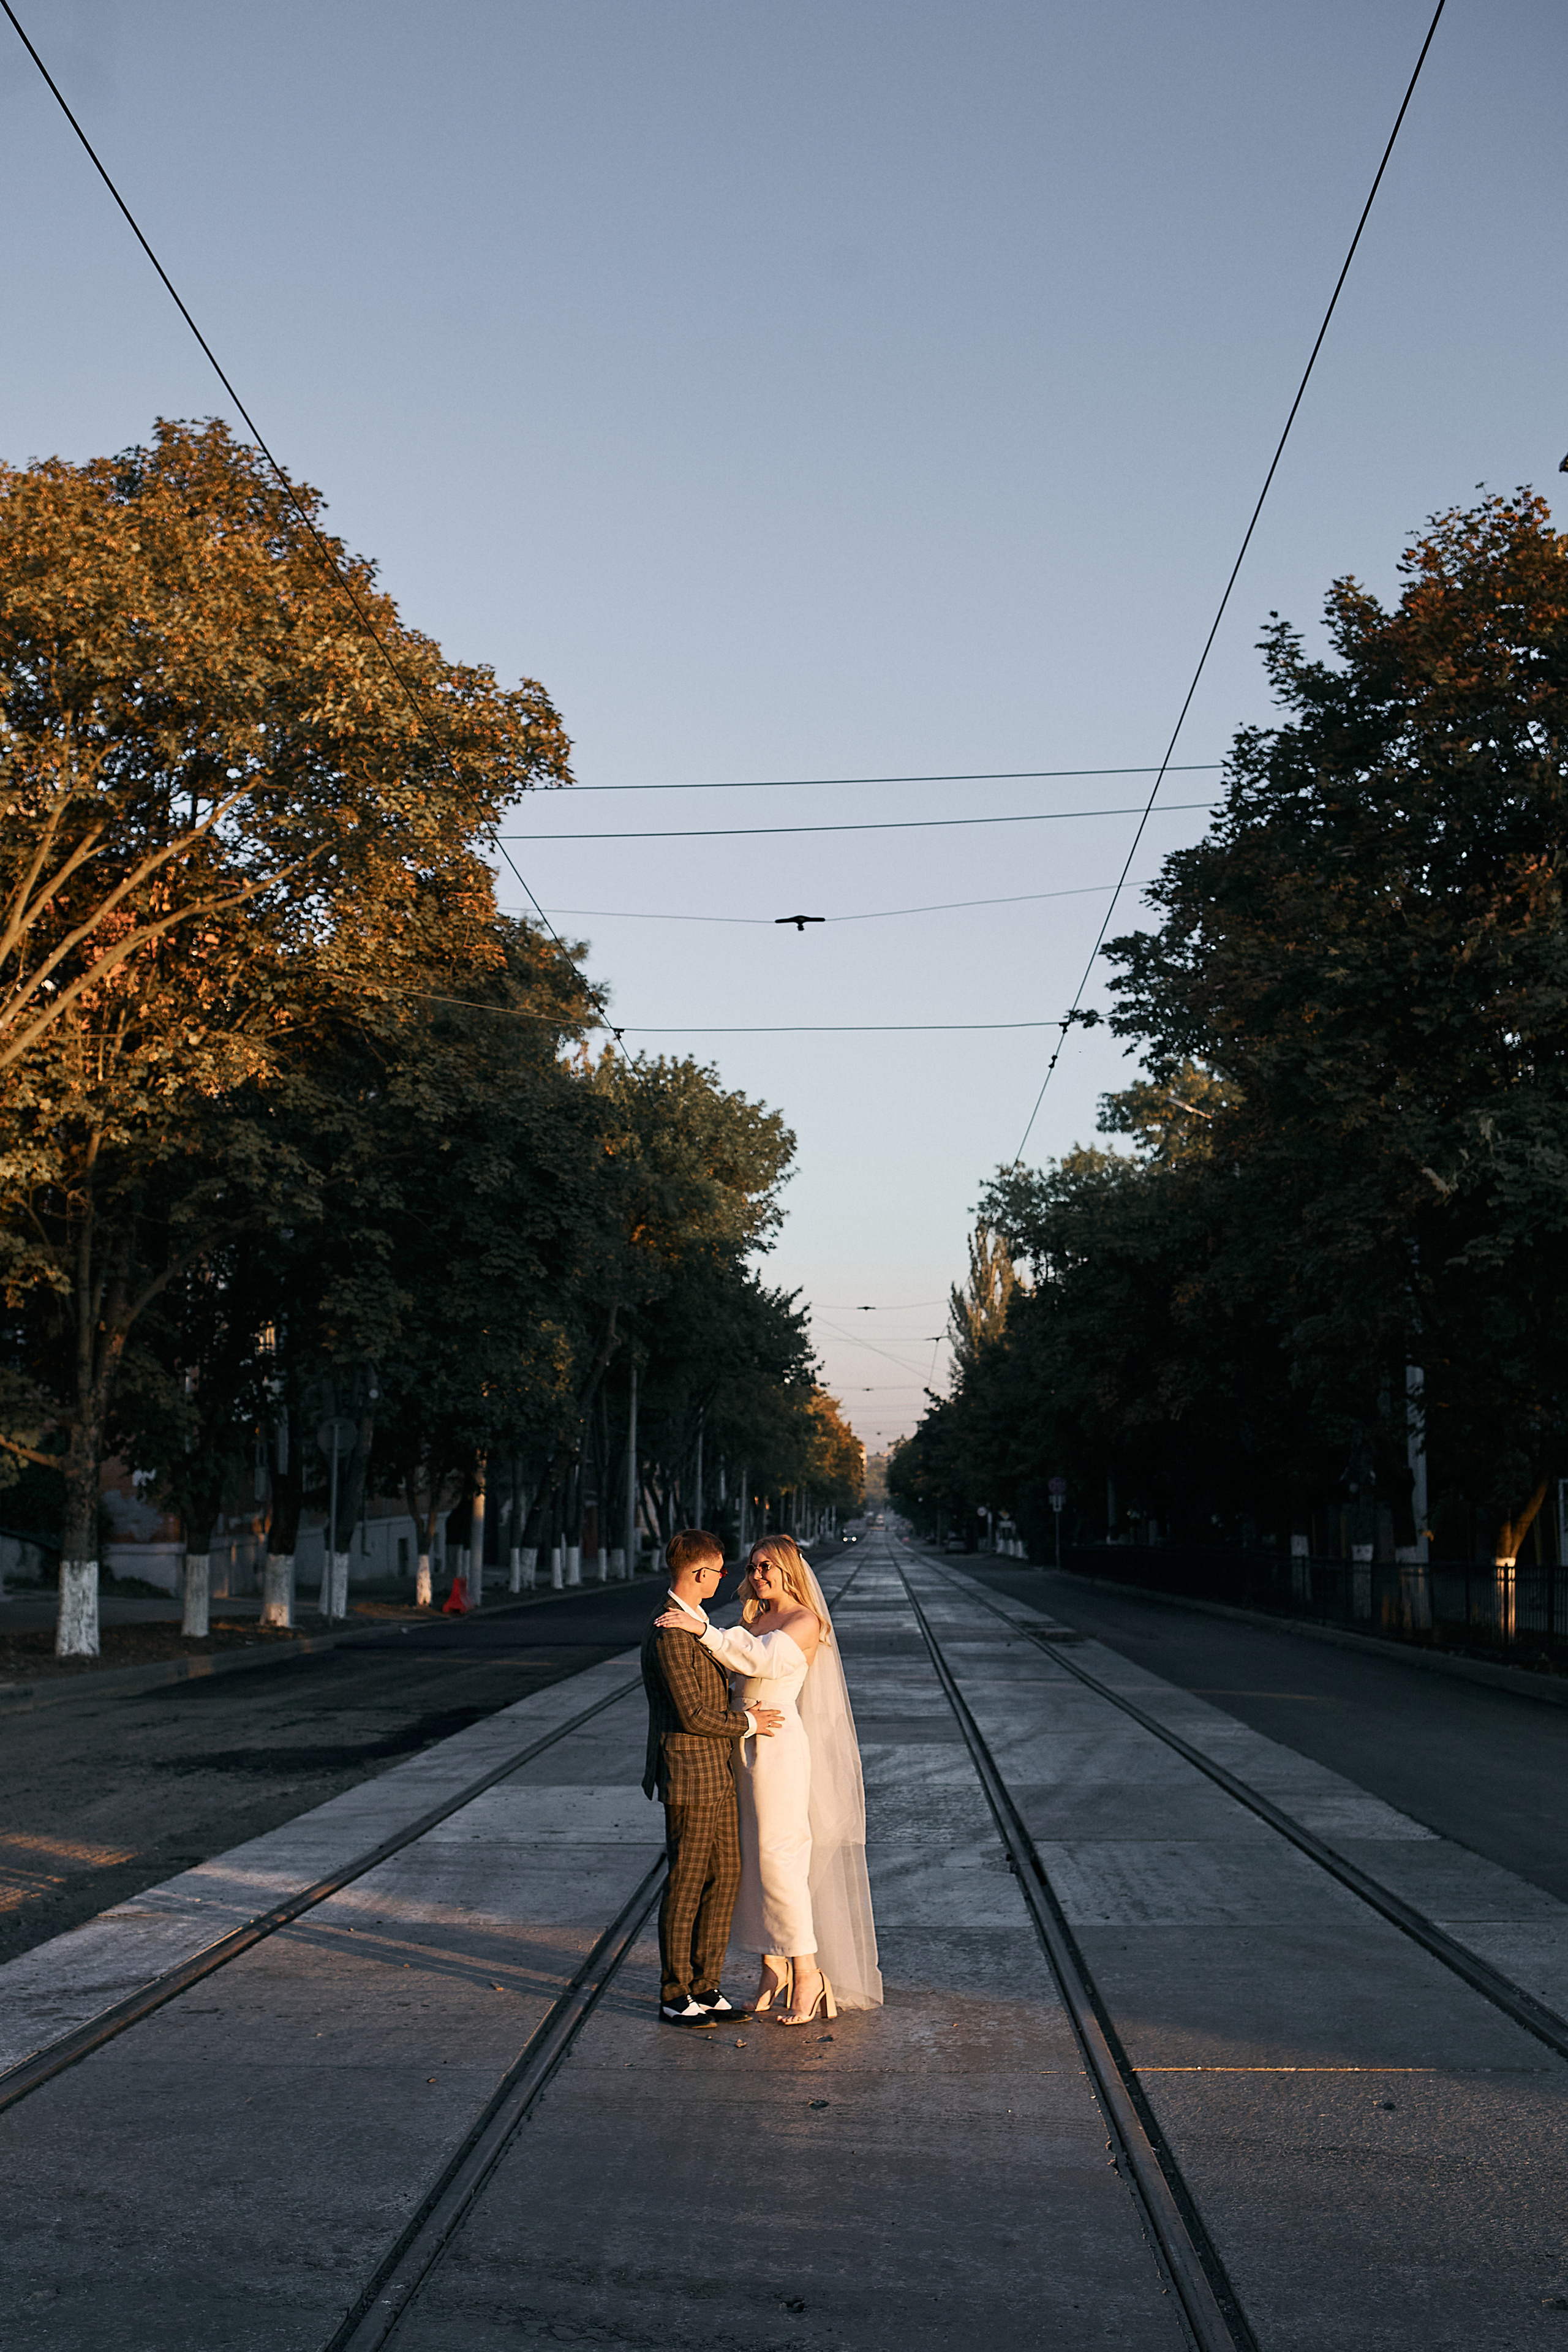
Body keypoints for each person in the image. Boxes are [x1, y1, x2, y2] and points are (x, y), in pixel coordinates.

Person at [656, 1532, 881, 2025]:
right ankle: (771, 1965)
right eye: (753, 1567)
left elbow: (758, 1661)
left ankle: (807, 1973)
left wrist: (701, 1629)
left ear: (788, 1570)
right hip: (739, 1743)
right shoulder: (754, 1617)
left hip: (776, 1745)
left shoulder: (805, 1621)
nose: (756, 1575)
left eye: (767, 1567)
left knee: (780, 1860)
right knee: (749, 1866)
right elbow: (736, 1671)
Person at [641, 1528, 783, 2028]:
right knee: (686, 1883)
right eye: (721, 1572)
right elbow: (693, 1714)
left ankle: (707, 1984)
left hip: (719, 1772)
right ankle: (675, 1992)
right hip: (689, 1774)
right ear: (699, 1574)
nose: (725, 1579)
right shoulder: (669, 1632)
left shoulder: (696, 1622)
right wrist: (750, 1722)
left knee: (724, 1879)